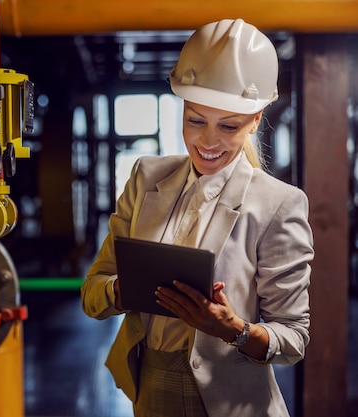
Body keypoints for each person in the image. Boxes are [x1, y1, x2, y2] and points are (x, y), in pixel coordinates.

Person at [81, 18, 314, 417]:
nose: (207, 142)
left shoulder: (278, 204)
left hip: (234, 403)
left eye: (228, 126)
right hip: (149, 390)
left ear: (256, 119)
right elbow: (92, 295)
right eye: (195, 120)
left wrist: (232, 330)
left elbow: (293, 338)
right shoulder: (145, 179)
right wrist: (127, 290)